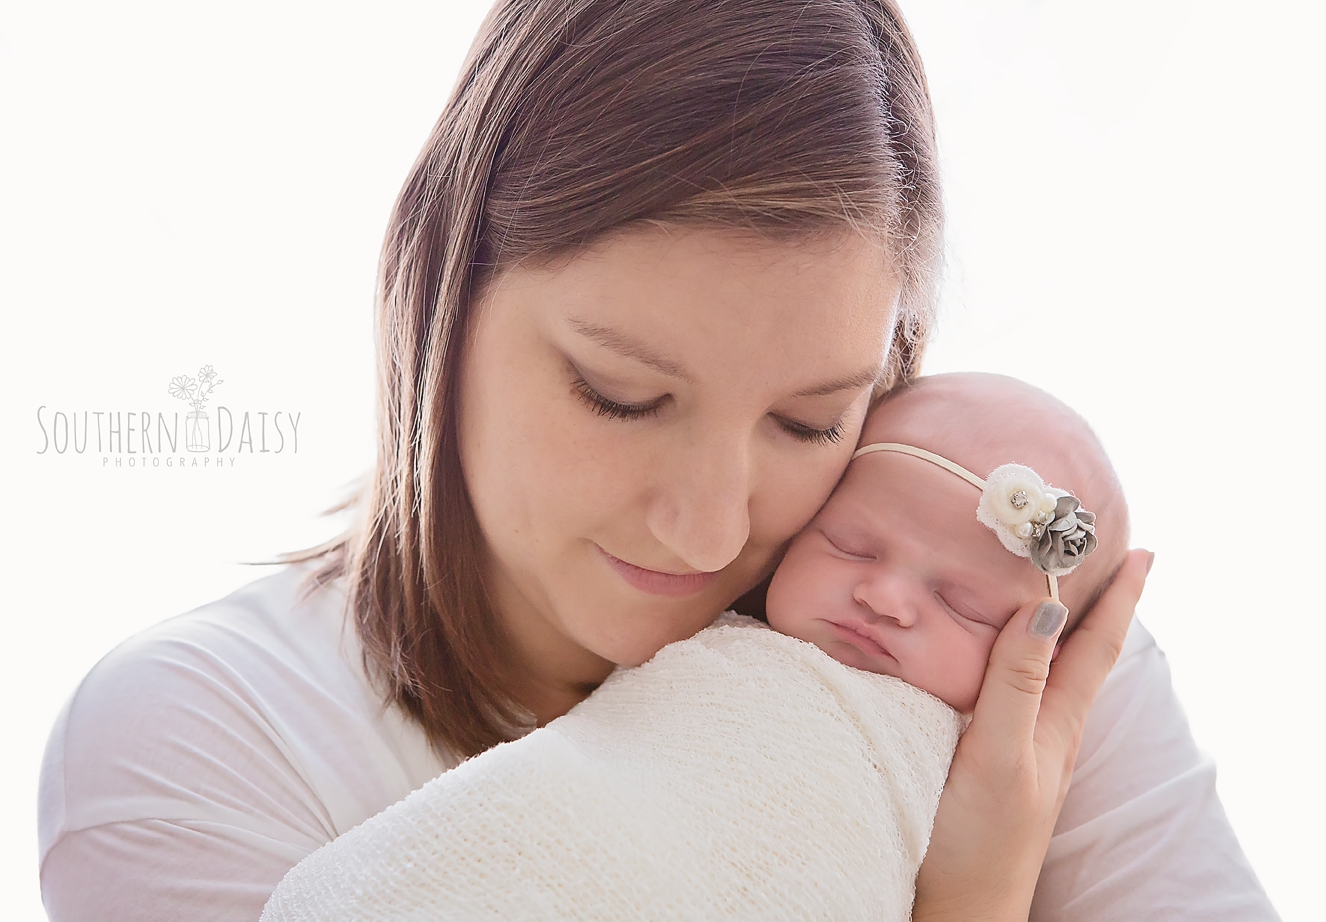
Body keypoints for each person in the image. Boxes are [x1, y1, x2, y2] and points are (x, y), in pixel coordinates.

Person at [36, 1, 1277, 920]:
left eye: (807, 422)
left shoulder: (984, 628)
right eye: (618, 395)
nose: (706, 530)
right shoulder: (199, 736)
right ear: (437, 295)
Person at [256, 373, 1127, 922]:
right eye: (851, 546)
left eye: (963, 605)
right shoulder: (708, 628)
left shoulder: (1013, 765)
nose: (886, 596)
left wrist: (978, 896)